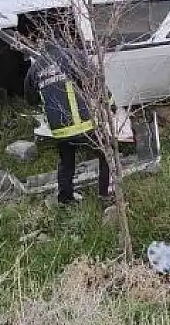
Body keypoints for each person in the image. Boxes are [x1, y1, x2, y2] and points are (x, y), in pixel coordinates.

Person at [24, 39, 114, 207]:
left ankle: (65, 199)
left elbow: (30, 98)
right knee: (106, 155)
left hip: (59, 129)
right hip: (82, 124)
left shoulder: (36, 67)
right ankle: (105, 195)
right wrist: (109, 101)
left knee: (66, 162)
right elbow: (94, 80)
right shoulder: (73, 56)